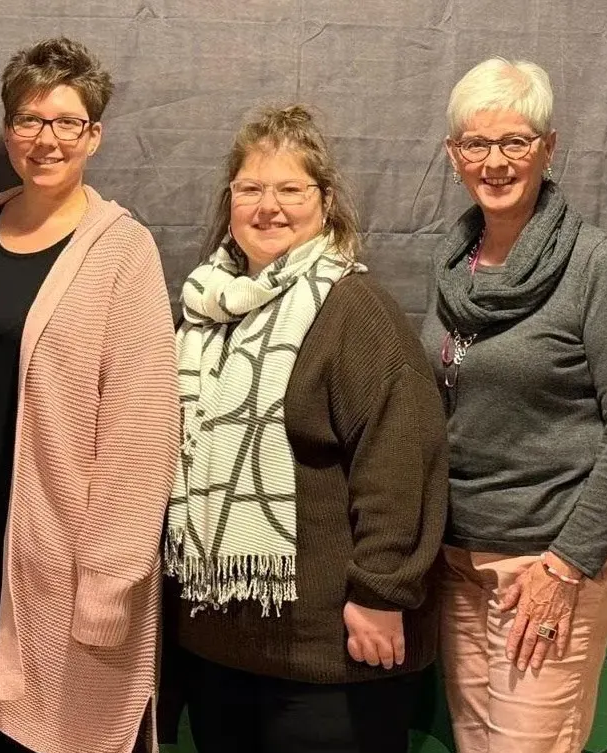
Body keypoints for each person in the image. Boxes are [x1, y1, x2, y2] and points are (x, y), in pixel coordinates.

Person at [0, 37, 178, 753]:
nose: (45, 139)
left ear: (94, 134)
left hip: (56, 574)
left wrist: (113, 580)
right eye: (29, 119)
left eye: (67, 122)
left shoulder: (122, 249)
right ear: (6, 130)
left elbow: (141, 431)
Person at [164, 105, 448, 753]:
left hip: (328, 654)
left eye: (290, 188)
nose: (269, 206)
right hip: (217, 646)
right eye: (250, 188)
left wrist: (381, 593)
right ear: (228, 201)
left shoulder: (351, 308)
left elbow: (400, 461)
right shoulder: (204, 312)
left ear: (325, 201)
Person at [423, 57, 607, 753]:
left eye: (514, 142)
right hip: (460, 561)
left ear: (547, 147)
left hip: (547, 564)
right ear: (451, 153)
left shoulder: (598, 267)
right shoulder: (451, 268)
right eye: (476, 143)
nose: (493, 162)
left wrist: (564, 565)